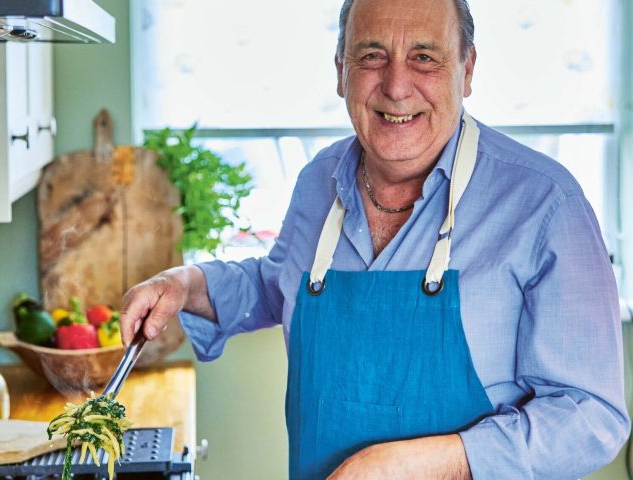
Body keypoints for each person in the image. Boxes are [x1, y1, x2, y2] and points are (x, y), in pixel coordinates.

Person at [119, 0, 631, 478]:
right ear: (340, 69)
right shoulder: (317, 183)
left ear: (467, 68)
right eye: (371, 56)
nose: (397, 85)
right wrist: (185, 283)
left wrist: (427, 462)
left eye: (424, 57)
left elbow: (592, 416)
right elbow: (277, 283)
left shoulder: (546, 203)